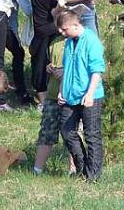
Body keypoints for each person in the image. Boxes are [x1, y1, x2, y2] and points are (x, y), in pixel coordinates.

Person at [57, 10, 106, 182]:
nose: (61, 33)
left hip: (90, 95)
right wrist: (62, 90)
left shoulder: (92, 41)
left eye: (64, 29)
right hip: (70, 96)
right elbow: (66, 69)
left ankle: (93, 175)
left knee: (91, 135)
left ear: (76, 25)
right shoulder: (69, 42)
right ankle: (82, 167)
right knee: (66, 130)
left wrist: (90, 93)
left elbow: (97, 70)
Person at [32, 32, 76, 176]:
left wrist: (66, 73)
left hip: (72, 96)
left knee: (72, 134)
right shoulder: (55, 42)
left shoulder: (81, 42)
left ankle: (74, 168)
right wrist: (49, 68)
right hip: (52, 94)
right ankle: (37, 170)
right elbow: (50, 61)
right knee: (46, 131)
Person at [27, 0, 63, 108]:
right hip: (53, 26)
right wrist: (55, 12)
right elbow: (61, 3)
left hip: (40, 27)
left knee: (39, 61)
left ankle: (41, 99)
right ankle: (56, 91)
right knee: (52, 57)